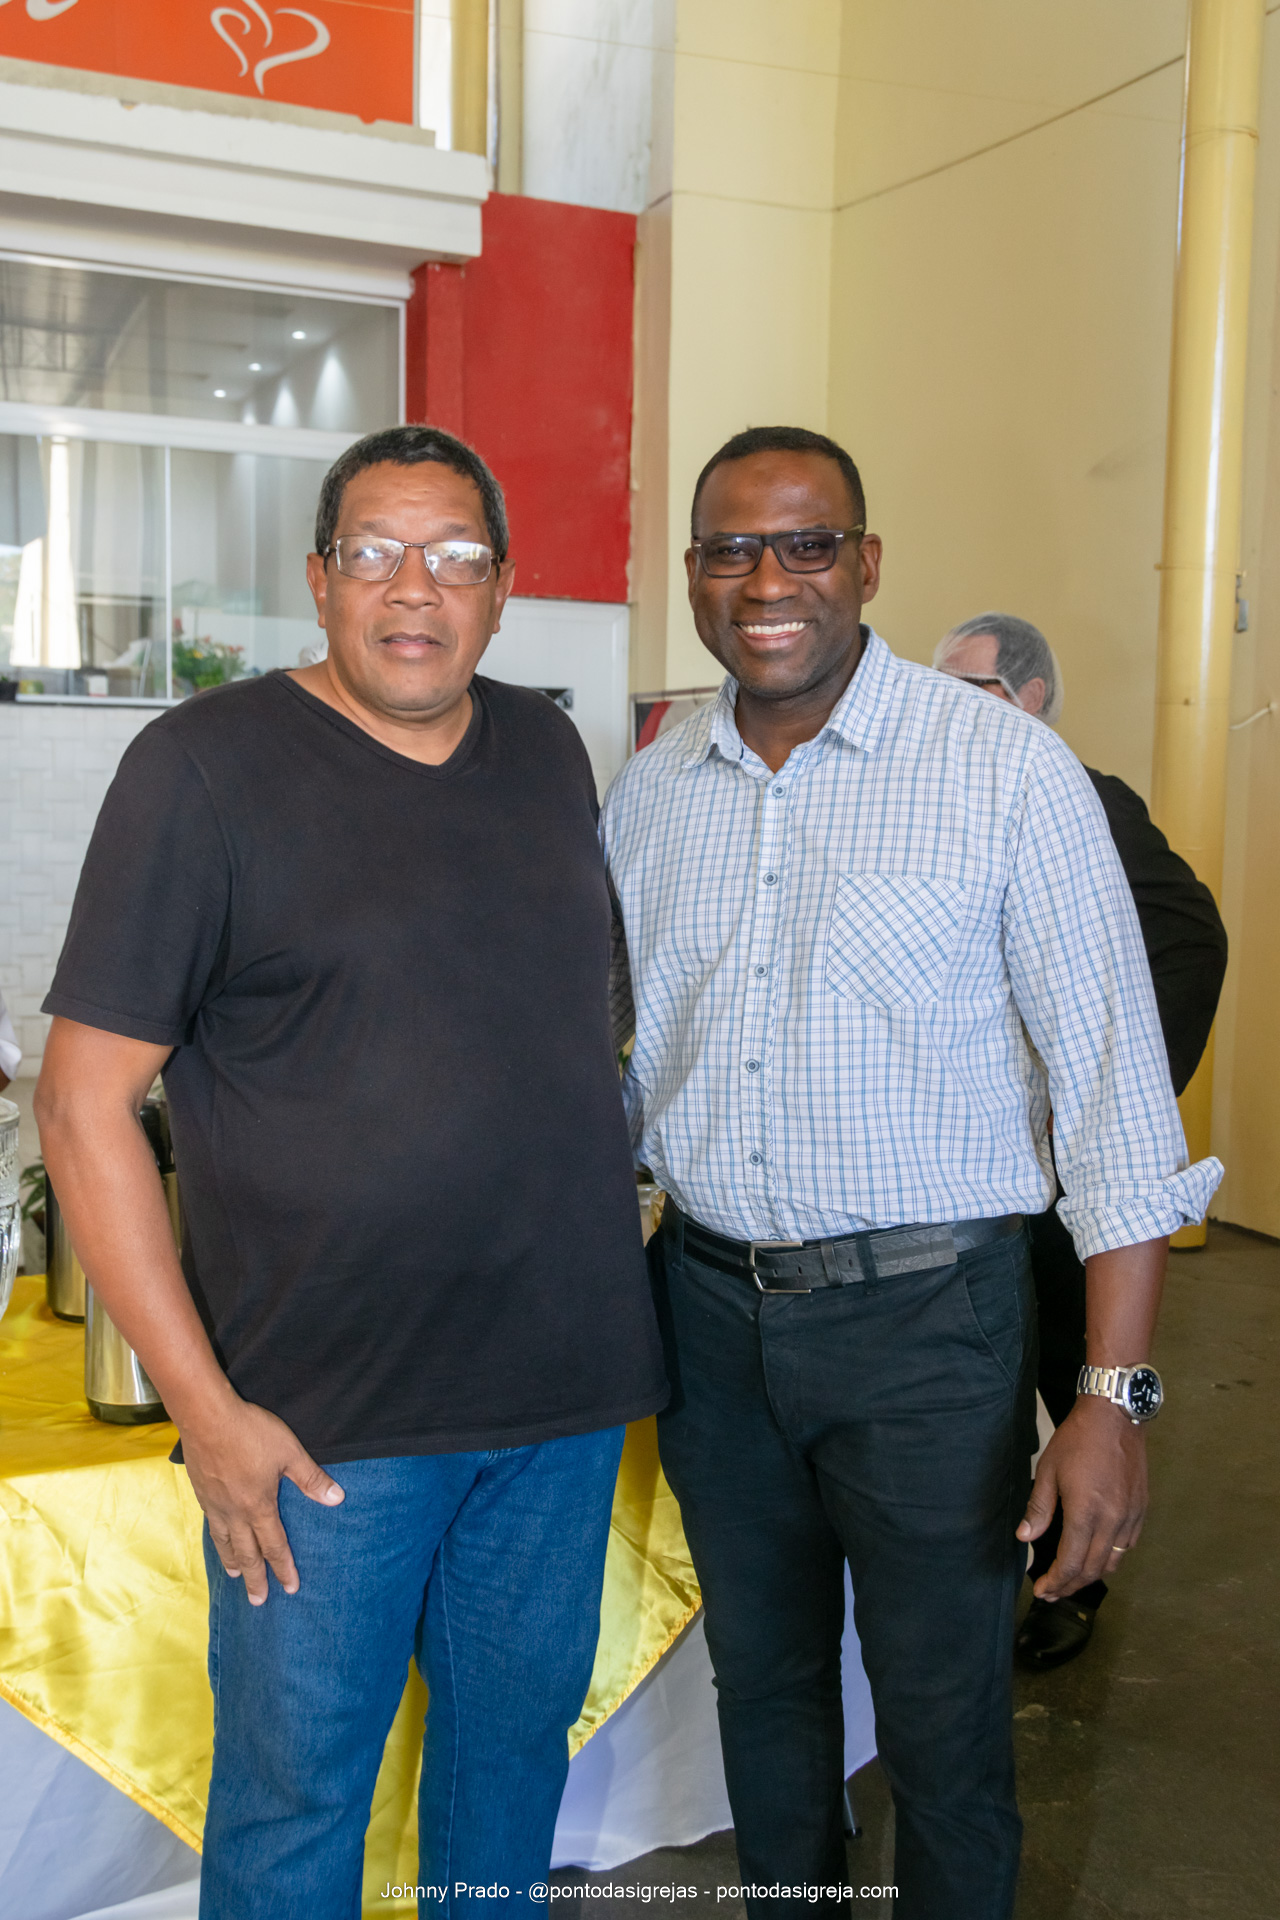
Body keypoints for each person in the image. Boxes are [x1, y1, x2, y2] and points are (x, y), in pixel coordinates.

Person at [34, 424, 666, 1920]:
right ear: (319, 580)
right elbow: (80, 1106)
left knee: (508, 1781)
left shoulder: (545, 753)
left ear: (501, 588)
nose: (413, 588)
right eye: (374, 552)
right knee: (296, 1807)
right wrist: (208, 1413)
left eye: (454, 556)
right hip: (321, 1431)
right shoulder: (202, 767)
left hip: (558, 1403)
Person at [601, 424, 1221, 1920]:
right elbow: (621, 1069)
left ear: (865, 565)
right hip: (709, 1319)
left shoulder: (1004, 773)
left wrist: (1108, 1399)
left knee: (945, 1731)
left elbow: (1116, 1107)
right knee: (766, 1697)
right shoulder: (650, 793)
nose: (768, 580)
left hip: (929, 1329)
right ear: (691, 573)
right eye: (731, 549)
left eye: (805, 544)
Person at [935, 612, 1228, 1667]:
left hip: (1059, 1178)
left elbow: (1190, 935)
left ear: (1032, 699)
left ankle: (1073, 1580)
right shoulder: (936, 801)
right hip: (962, 1176)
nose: (948, 712)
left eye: (972, 691)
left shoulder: (1081, 797)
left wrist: (1103, 1097)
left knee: (1075, 1366)